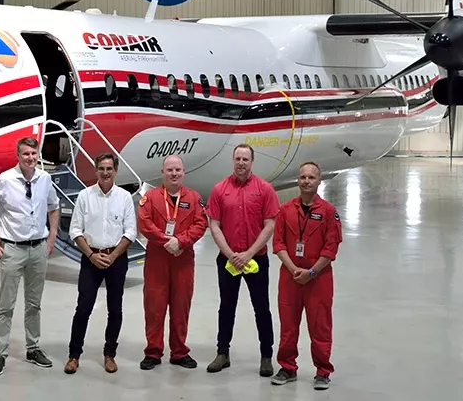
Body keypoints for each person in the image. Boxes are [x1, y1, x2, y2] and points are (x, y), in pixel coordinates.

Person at [0, 136, 60, 376]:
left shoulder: (45, 179)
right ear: (18, 156)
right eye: (25, 154)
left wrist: (51, 237)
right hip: (12, 249)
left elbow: (54, 206)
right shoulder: (5, 180)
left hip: (38, 248)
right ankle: (0, 354)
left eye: (33, 153)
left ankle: (33, 348)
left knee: (34, 304)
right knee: (6, 305)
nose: (30, 158)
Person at [206, 144, 280, 376]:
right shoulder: (219, 189)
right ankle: (222, 353)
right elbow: (214, 225)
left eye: (245, 159)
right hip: (227, 261)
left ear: (252, 162)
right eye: (237, 159)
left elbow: (270, 224)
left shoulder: (264, 189)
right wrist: (230, 254)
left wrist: (248, 254)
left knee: (262, 308)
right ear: (232, 160)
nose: (241, 163)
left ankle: (266, 356)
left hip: (256, 260)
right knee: (226, 307)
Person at [269, 161, 342, 390]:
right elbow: (278, 243)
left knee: (320, 325)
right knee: (288, 325)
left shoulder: (329, 212)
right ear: (297, 180)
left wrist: (311, 272)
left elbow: (331, 248)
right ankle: (287, 367)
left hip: (318, 279)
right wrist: (293, 269)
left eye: (311, 177)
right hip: (290, 277)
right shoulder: (285, 210)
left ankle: (322, 370)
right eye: (302, 177)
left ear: (319, 181)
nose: (306, 181)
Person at [64, 152, 136, 374]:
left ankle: (110, 354)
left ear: (115, 171)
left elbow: (131, 231)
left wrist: (113, 256)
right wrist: (91, 255)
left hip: (116, 259)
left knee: (115, 309)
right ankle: (74, 355)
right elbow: (75, 230)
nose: (105, 172)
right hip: (90, 258)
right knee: (83, 308)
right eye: (101, 168)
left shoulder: (124, 197)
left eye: (109, 169)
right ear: (96, 171)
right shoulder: (85, 196)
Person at [137, 155, 208, 370]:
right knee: (154, 307)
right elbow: (144, 223)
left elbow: (201, 223)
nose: (174, 174)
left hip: (183, 260)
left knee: (180, 307)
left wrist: (181, 241)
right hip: (157, 260)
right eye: (170, 170)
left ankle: (179, 352)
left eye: (178, 170)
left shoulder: (194, 198)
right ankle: (153, 351)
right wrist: (167, 241)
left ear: (184, 172)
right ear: (162, 172)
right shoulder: (149, 198)